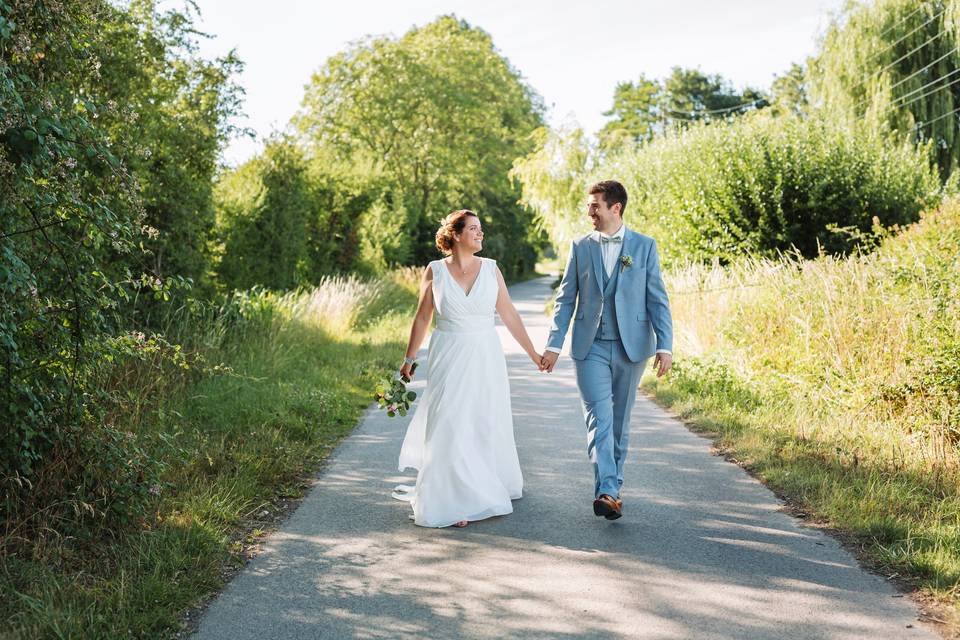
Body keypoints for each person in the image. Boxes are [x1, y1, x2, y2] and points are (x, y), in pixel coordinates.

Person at [393, 209, 544, 528]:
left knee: (478, 419)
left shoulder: (491, 269)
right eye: (474, 229)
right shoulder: (434, 270)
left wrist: (533, 353)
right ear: (456, 234)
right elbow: (422, 318)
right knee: (448, 419)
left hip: (484, 354)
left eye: (481, 229)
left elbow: (510, 315)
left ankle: (475, 489)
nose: (480, 234)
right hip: (448, 351)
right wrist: (409, 359)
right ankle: (449, 495)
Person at [540, 180, 673, 521]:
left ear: (616, 208)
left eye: (595, 206)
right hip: (590, 346)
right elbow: (566, 298)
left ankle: (611, 491)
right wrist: (554, 343)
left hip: (633, 348)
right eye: (589, 206)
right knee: (600, 418)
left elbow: (657, 299)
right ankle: (609, 491)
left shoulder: (644, 246)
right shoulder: (581, 246)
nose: (590, 212)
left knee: (619, 423)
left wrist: (665, 345)